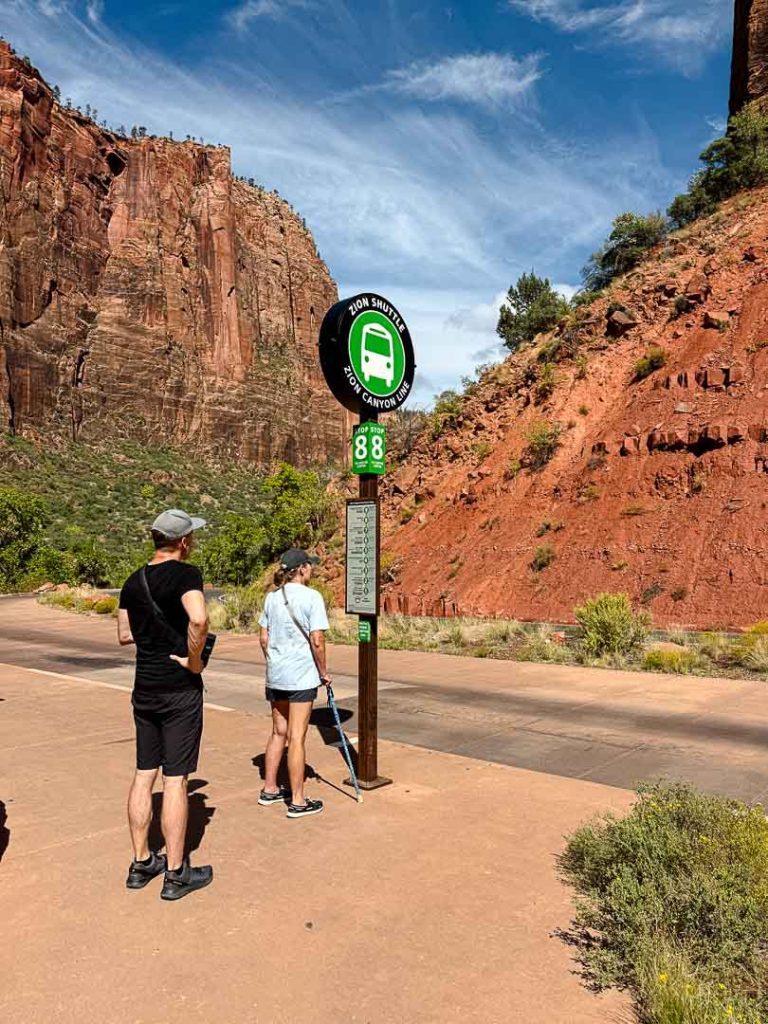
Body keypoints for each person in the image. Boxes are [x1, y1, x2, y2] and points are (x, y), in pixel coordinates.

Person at [117, 508, 213, 900]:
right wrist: (193, 659)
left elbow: (124, 634)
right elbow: (199, 619)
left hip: (145, 689)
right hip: (178, 690)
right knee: (176, 779)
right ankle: (176, 873)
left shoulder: (133, 581)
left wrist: (152, 635)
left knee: (145, 774)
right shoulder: (186, 575)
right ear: (184, 541)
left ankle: (141, 862)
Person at [258, 548, 331, 818]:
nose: (312, 570)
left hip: (276, 675)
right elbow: (317, 641)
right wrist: (323, 672)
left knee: (279, 732)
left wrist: (275, 661)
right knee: (296, 737)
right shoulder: (312, 597)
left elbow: (264, 638)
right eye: (310, 566)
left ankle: (270, 789)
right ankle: (298, 801)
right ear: (301, 569)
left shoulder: (272, 598)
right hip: (300, 675)